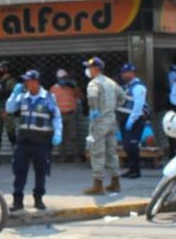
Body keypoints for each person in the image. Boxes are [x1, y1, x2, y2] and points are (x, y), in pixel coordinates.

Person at [5, 69, 62, 211]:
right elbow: (9, 108)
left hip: (41, 142)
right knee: (19, 171)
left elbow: (56, 117)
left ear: (35, 82)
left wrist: (58, 133)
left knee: (40, 171)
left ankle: (39, 199)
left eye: (28, 81)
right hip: (24, 141)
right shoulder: (23, 97)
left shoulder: (48, 97)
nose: (25, 83)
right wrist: (14, 94)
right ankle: (17, 201)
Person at [82, 57, 123, 195]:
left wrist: (95, 110)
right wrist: (111, 109)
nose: (88, 70)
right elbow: (122, 97)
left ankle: (98, 184)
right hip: (111, 121)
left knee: (97, 152)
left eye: (89, 67)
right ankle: (115, 182)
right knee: (112, 152)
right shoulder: (111, 82)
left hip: (99, 122)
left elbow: (92, 97)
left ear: (96, 69)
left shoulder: (94, 83)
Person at [115, 64, 150, 179]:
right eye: (122, 72)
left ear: (132, 73)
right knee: (126, 146)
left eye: (125, 72)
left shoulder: (138, 87)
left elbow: (138, 106)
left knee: (132, 145)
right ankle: (131, 169)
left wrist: (131, 120)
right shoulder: (127, 86)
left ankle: (136, 171)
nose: (123, 74)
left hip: (134, 120)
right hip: (125, 119)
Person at [49, 69, 81, 163]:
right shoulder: (54, 88)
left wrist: (75, 87)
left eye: (65, 77)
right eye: (61, 78)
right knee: (61, 137)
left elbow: (80, 97)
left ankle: (76, 156)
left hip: (71, 114)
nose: (63, 79)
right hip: (59, 116)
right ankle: (62, 157)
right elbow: (50, 102)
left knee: (73, 136)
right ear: (57, 78)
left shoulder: (71, 87)